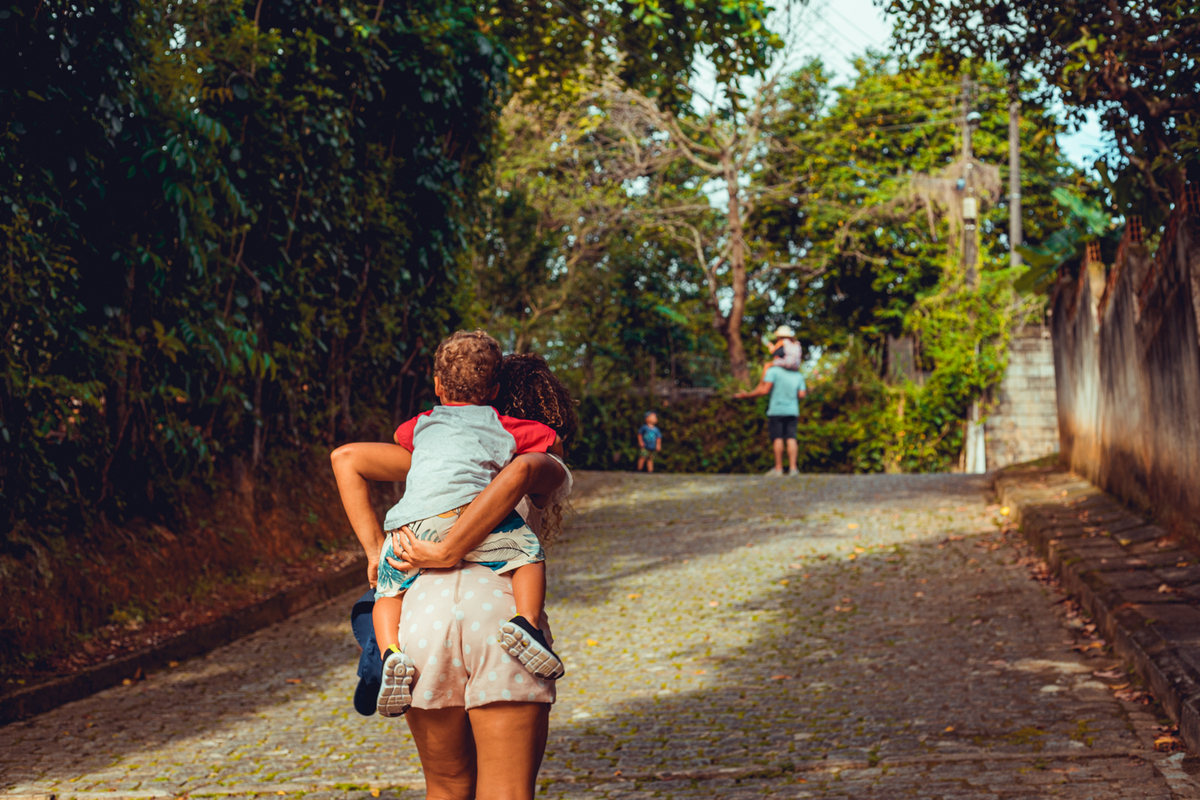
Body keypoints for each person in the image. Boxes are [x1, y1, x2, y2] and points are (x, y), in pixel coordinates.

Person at [330, 351, 574, 800]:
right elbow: (523, 471)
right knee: (506, 790)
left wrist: (375, 551)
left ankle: (389, 655)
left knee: (445, 787)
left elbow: (347, 457)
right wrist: (449, 550)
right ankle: (526, 627)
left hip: (421, 622)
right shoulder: (538, 460)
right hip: (500, 624)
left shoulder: (428, 455)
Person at [363, 332, 566, 717]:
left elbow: (399, 437)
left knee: (387, 594)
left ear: (437, 385)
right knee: (527, 555)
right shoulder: (502, 424)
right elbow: (550, 441)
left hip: (412, 526)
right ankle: (526, 622)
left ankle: (391, 652)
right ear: (494, 390)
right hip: (474, 519)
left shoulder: (421, 424)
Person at [734, 357, 807, 476]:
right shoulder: (798, 375)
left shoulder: (773, 371)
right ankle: (793, 469)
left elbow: (764, 390)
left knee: (777, 438)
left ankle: (778, 469)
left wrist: (749, 395)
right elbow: (802, 394)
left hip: (776, 410)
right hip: (792, 411)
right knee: (791, 438)